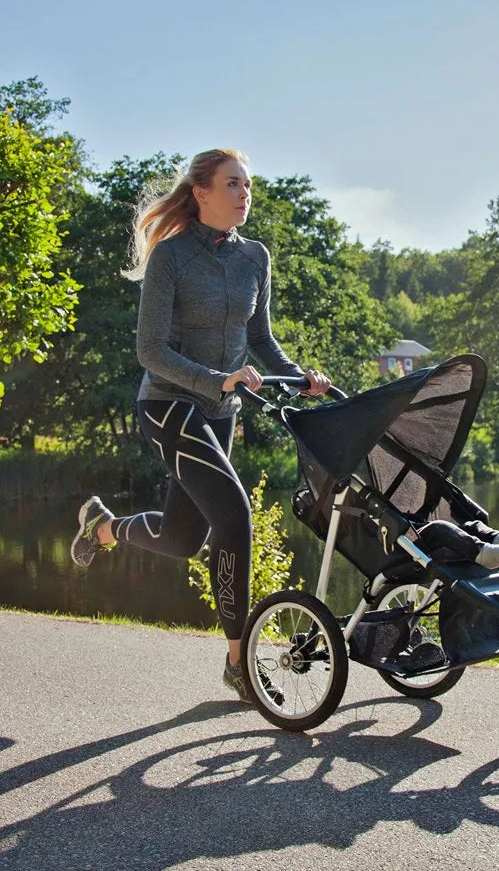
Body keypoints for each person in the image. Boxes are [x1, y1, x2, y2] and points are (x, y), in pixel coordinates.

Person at [70, 148, 330, 704]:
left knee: (184, 537)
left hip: (219, 413)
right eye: (233, 183)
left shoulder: (254, 256)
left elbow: (260, 340)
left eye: (249, 185)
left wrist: (299, 377)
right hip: (168, 406)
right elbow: (149, 350)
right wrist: (219, 379)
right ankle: (240, 663)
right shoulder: (171, 258)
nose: (245, 194)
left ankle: (103, 528)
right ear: (201, 192)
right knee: (234, 516)